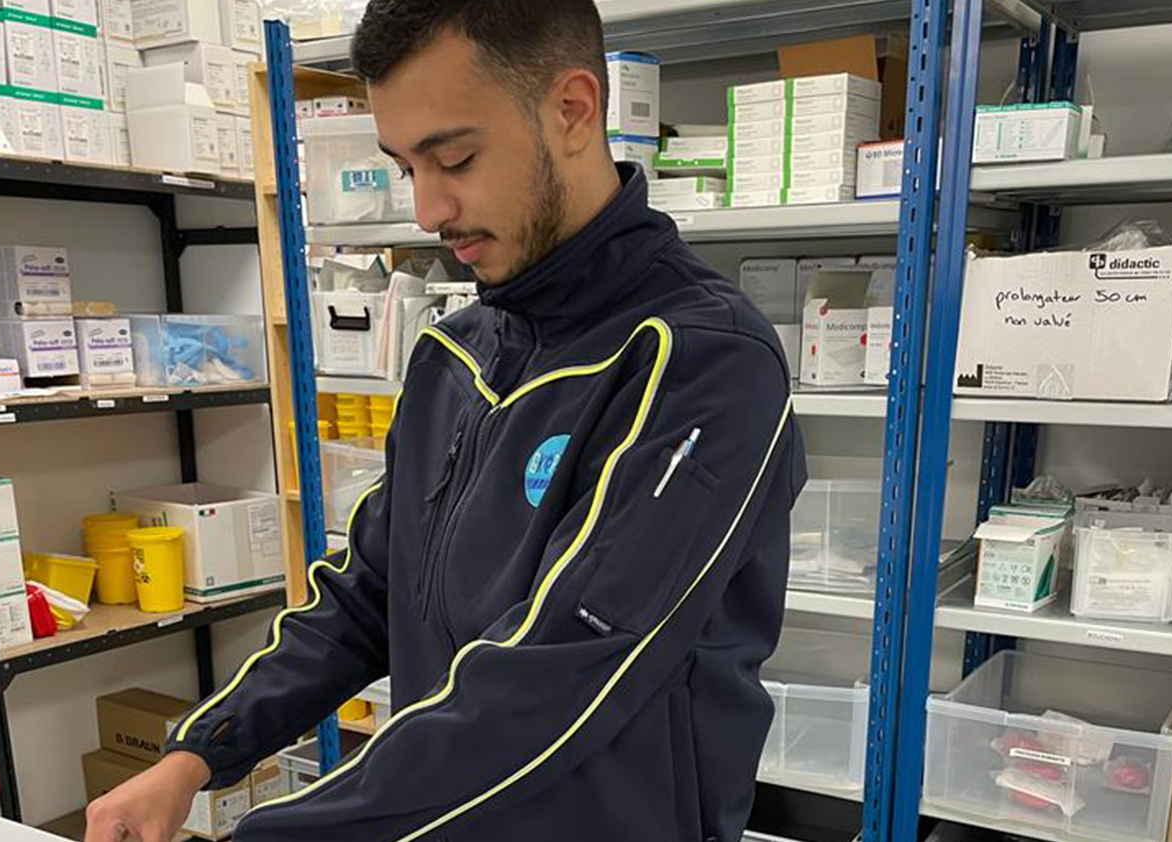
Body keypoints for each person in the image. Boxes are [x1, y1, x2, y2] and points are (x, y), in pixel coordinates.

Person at [85, 1, 805, 840]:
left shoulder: (702, 360)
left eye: (455, 158)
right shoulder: (455, 354)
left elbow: (556, 675)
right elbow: (367, 596)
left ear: (574, 110)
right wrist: (195, 755)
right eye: (405, 168)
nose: (427, 209)